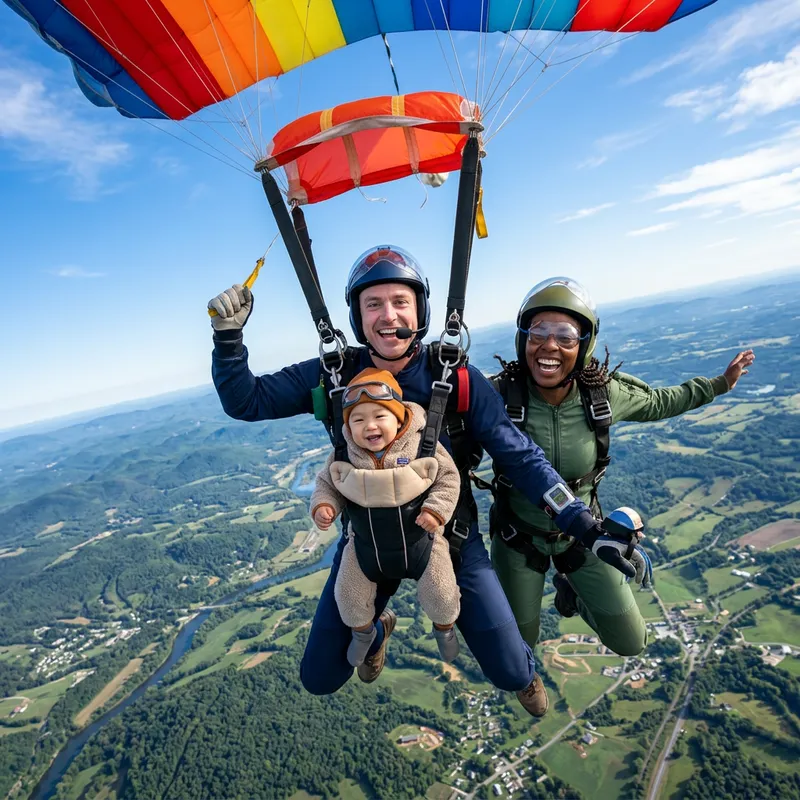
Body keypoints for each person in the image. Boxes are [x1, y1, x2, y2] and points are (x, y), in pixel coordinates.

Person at [208, 246, 644, 717]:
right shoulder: (333, 378)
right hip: (368, 546)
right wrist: (228, 340)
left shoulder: (457, 379)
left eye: (400, 301)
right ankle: (377, 630)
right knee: (320, 676)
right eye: (373, 304)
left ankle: (521, 671)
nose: (387, 315)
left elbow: (520, 456)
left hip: (449, 542)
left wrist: (582, 523)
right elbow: (245, 401)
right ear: (357, 316)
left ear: (421, 309)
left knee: (511, 672)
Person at [488, 276, 755, 656]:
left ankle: (573, 593)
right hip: (518, 538)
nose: (549, 344)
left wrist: (718, 386)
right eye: (538, 332)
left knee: (632, 643)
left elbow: (662, 401)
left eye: (565, 335)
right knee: (517, 649)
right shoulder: (497, 396)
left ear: (583, 345)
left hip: (582, 535)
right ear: (523, 339)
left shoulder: (602, 393)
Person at [310, 367, 462, 666]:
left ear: (399, 417)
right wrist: (324, 506)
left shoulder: (420, 445)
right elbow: (326, 483)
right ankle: (365, 633)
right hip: (367, 547)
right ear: (348, 426)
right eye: (358, 419)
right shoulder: (345, 454)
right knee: (348, 597)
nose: (370, 426)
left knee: (442, 593)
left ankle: (445, 630)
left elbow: (448, 478)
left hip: (422, 541)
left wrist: (436, 510)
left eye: (380, 416)